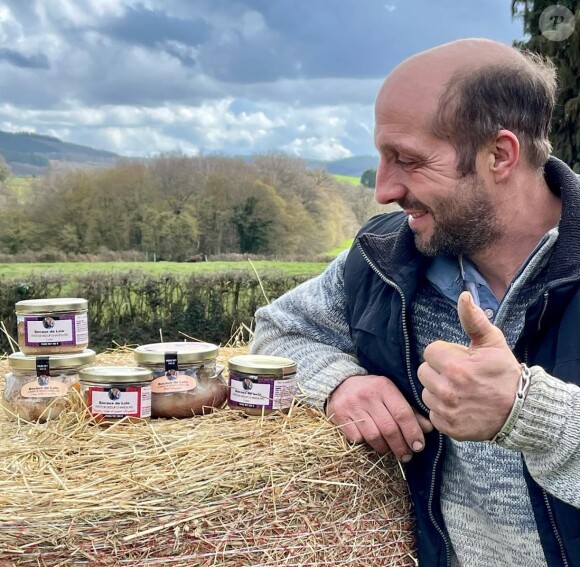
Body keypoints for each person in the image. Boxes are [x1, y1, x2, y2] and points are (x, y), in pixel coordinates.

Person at [250, 38, 580, 567]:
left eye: (408, 160)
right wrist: (341, 382)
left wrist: (527, 411)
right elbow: (276, 333)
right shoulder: (385, 256)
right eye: (382, 158)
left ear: (499, 155)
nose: (383, 189)